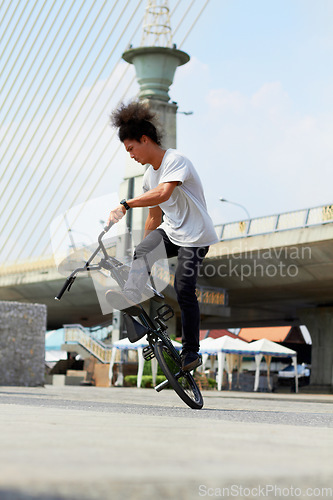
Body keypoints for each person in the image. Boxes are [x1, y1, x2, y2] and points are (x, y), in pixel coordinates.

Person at [106, 100, 218, 371]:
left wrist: (126, 204)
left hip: (197, 236)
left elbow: (164, 193)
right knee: (143, 250)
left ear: (145, 140)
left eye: (131, 148)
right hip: (172, 230)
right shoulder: (148, 176)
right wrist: (141, 256)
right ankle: (133, 296)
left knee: (184, 290)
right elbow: (155, 217)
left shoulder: (176, 160)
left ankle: (191, 352)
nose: (131, 155)